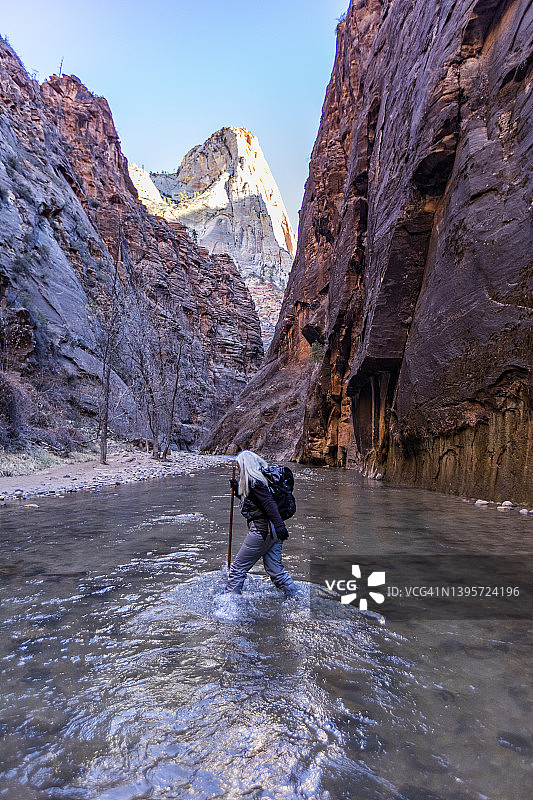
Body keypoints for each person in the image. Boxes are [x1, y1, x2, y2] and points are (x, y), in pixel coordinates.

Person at [224, 450, 298, 599]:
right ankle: (295, 597)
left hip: (261, 531)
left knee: (237, 569)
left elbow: (268, 503)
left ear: (245, 466)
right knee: (276, 571)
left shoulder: (254, 482)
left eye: (239, 465)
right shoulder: (262, 481)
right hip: (274, 533)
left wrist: (279, 525)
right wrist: (238, 491)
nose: (238, 468)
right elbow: (258, 502)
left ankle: (228, 603)